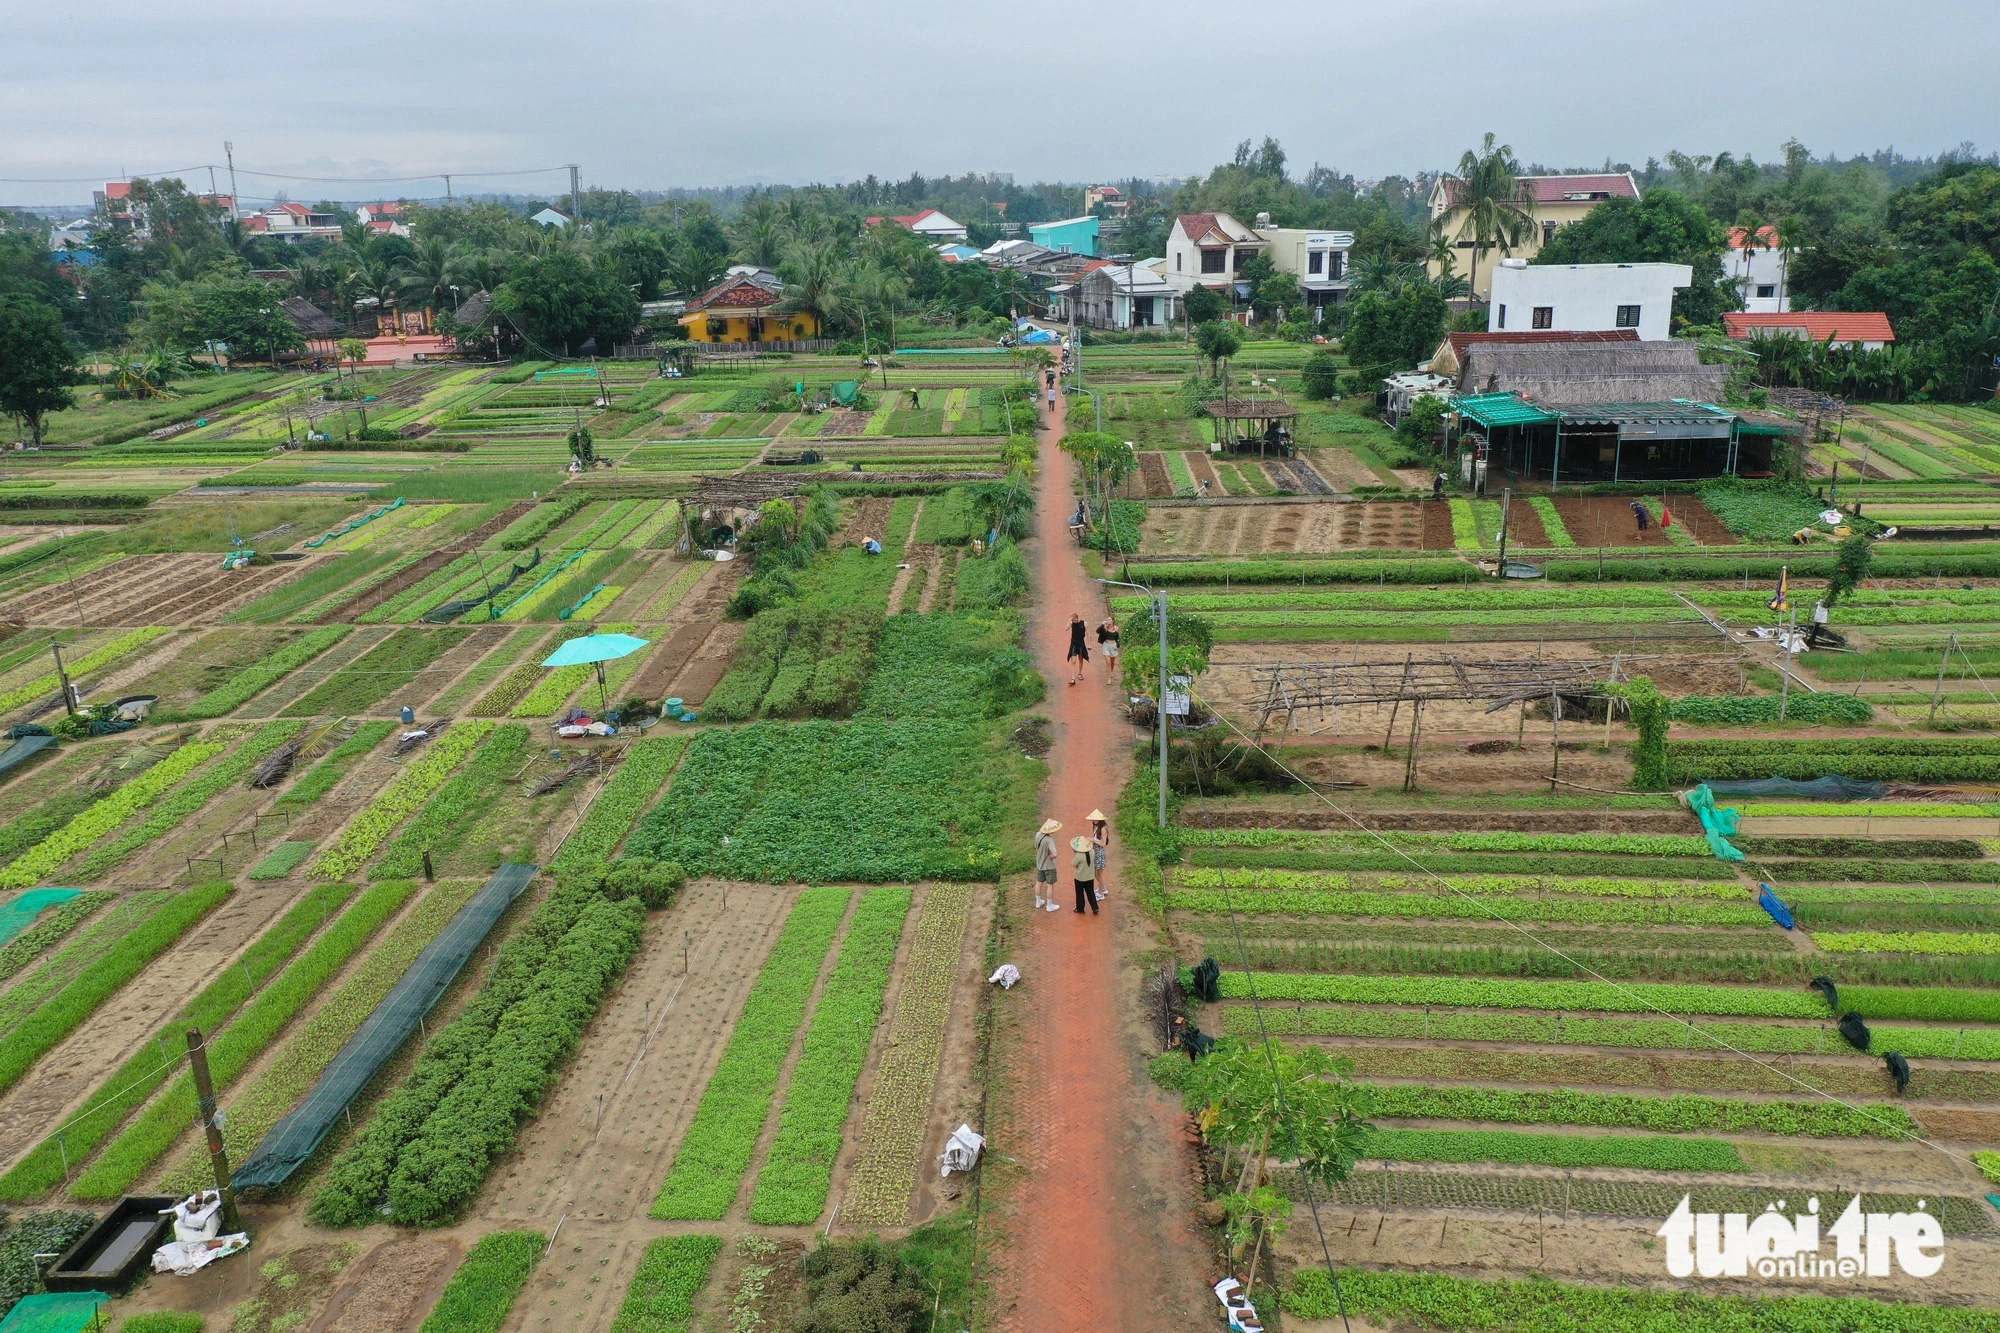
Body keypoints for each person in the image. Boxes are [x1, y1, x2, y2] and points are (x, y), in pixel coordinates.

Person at [1033, 818, 1062, 912]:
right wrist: (1051, 855)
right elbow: (1055, 855)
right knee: (1050, 885)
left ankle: (1038, 902)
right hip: (1049, 866)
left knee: (1039, 882)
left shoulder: (1038, 834)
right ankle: (1049, 905)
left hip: (1039, 864)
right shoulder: (1049, 840)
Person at [1070, 835, 1099, 914]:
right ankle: (1095, 907)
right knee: (1090, 892)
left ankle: (1080, 909)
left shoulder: (1079, 855)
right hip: (1090, 877)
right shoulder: (1092, 852)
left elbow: (1073, 864)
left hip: (1080, 878)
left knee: (1079, 894)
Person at [1087, 809, 1110, 899]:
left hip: (1099, 852)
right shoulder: (1096, 827)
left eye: (1095, 819)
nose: (1093, 821)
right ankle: (1102, 888)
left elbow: (1103, 844)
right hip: (1095, 851)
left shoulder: (1103, 829)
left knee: (1099, 873)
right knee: (1095, 872)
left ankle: (1101, 893)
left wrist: (1093, 840)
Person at [1097, 616, 1121, 683]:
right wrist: (1103, 625)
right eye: (1107, 619)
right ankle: (1109, 678)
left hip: (1113, 645)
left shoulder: (1116, 628)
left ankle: (1111, 671)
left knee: (1112, 662)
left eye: (1110, 619)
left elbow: (1117, 637)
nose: (1108, 620)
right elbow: (1097, 631)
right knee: (1108, 662)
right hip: (1106, 645)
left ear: (1113, 621)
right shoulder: (1105, 627)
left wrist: (1118, 643)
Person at [1067, 613, 1089, 685]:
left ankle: (1079, 673)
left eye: (1074, 620)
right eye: (1072, 620)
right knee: (1073, 660)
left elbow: (1088, 634)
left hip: (1081, 643)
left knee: (1081, 658)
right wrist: (1069, 620)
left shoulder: (1084, 623)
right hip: (1074, 643)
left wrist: (1089, 644)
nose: (1074, 621)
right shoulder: (1072, 623)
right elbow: (1066, 628)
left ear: (1077, 618)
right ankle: (1073, 678)